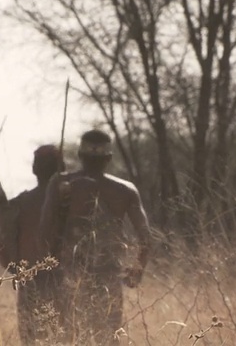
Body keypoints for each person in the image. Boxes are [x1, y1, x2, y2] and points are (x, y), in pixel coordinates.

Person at [38, 129, 151, 345]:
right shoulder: (125, 190)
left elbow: (43, 231)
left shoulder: (61, 183)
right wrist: (137, 271)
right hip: (109, 278)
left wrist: (49, 268)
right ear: (109, 158)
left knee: (69, 337)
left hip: (69, 276)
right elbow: (146, 238)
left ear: (80, 155)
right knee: (108, 337)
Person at [0, 144, 64, 346]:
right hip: (65, 280)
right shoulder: (71, 201)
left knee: (32, 339)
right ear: (62, 167)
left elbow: (1, 245)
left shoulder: (20, 204)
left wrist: (17, 270)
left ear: (34, 169)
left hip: (30, 281)